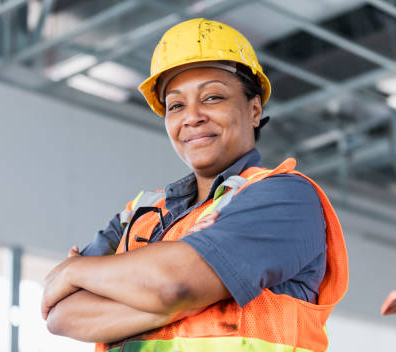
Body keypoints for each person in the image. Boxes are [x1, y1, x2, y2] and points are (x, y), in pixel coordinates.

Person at [42, 18, 348, 352]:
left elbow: (174, 285)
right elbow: (61, 315)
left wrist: (76, 271)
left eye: (213, 97)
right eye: (175, 105)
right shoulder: (138, 217)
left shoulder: (285, 198)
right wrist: (177, 299)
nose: (192, 116)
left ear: (255, 109)